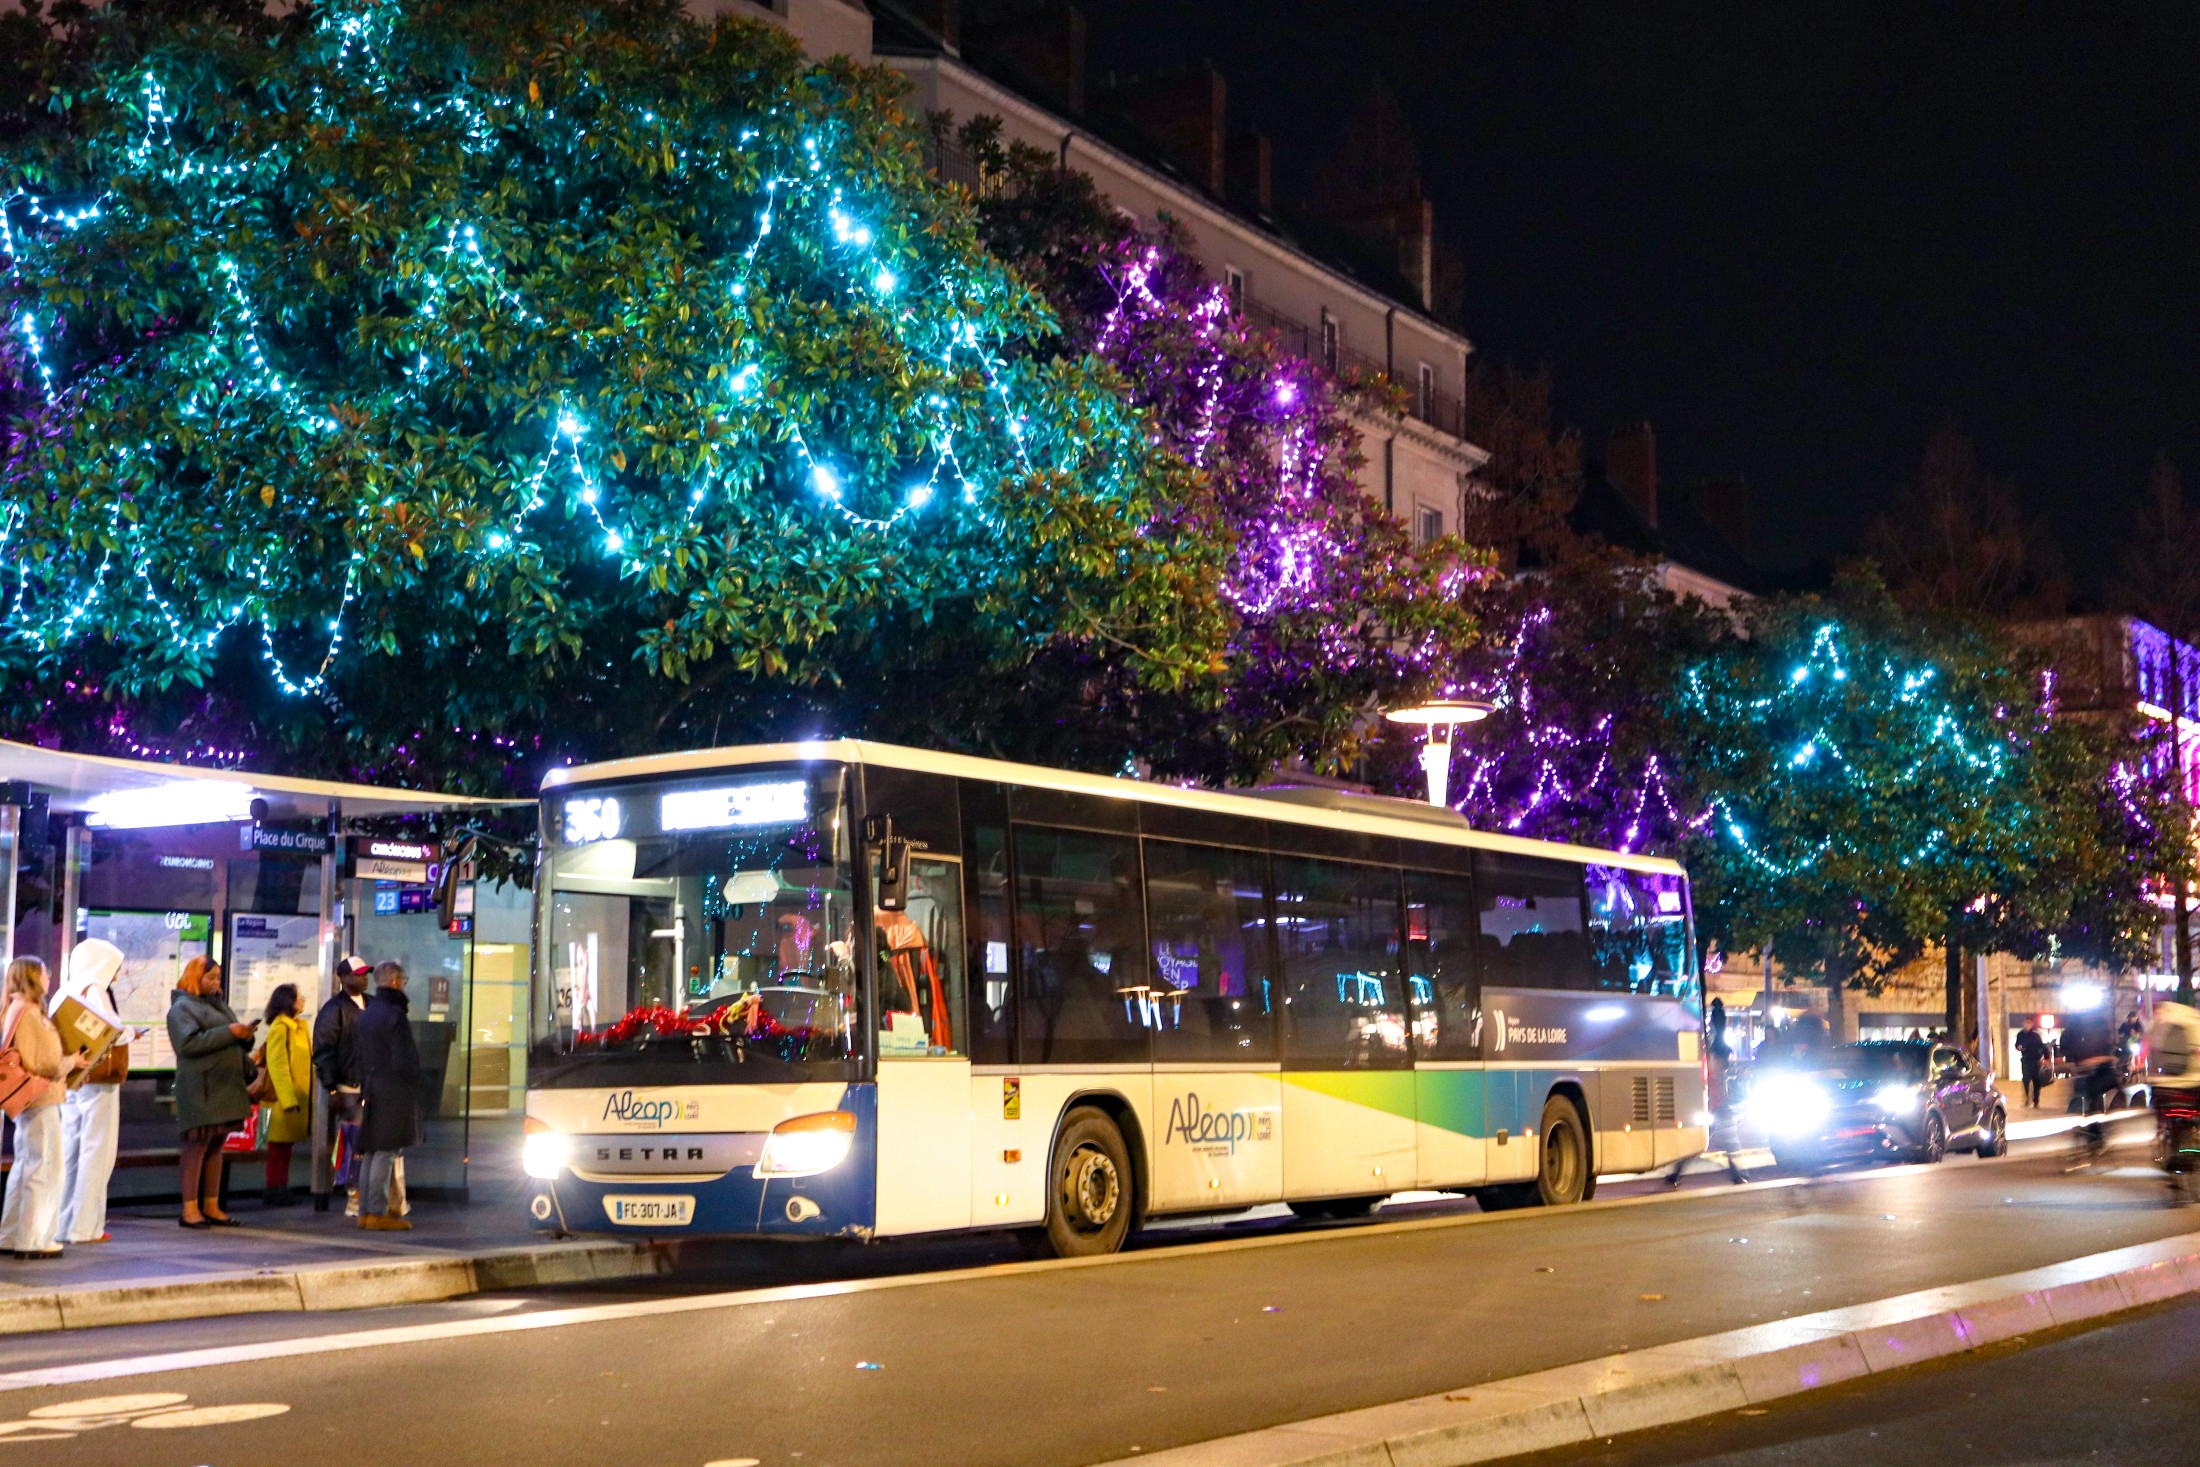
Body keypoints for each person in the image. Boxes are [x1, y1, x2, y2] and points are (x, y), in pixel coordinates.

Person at [1, 958, 89, 1258]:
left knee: (26, 1166)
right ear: (32, 977)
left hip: (31, 1101)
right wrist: (72, 1061)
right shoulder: (29, 1012)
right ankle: (35, 1239)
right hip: (41, 1098)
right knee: (46, 1167)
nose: (48, 977)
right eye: (44, 972)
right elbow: (43, 1061)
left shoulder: (15, 1008)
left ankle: (11, 1235)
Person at [168, 956, 254, 1228]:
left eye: (218, 977)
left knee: (217, 1146)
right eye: (211, 977)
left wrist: (246, 1035)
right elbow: (188, 1044)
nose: (217, 982)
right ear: (196, 977)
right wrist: (230, 1032)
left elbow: (233, 1035)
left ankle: (212, 1205)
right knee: (196, 1148)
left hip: (225, 1086)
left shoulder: (218, 1005)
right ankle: (190, 1209)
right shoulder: (182, 1008)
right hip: (200, 1088)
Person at [55, 938, 126, 1245]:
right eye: (115, 967)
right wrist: (130, 1033)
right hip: (98, 1083)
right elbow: (111, 1030)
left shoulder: (65, 989)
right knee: (97, 1152)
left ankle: (62, 1223)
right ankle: (86, 1227)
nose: (117, 975)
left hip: (72, 1079)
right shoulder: (95, 989)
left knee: (70, 1151)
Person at [354, 961, 421, 1232]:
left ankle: (364, 1212)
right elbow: (403, 1059)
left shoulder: (368, 1013)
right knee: (386, 1151)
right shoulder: (395, 1014)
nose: (404, 984)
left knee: (371, 1150)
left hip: (371, 1087)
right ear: (394, 981)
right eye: (403, 980)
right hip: (393, 1091)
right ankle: (377, 1212)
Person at [313, 956, 371, 1216]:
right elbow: (323, 1051)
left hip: (368, 1085)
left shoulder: (372, 1004)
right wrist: (332, 1088)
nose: (364, 978)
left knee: (364, 1141)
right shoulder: (333, 1009)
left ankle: (363, 1194)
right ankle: (353, 1196)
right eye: (358, 974)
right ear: (343, 978)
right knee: (354, 1141)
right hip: (348, 1086)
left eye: (365, 973)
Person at [260, 983, 311, 1207]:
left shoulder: (299, 1027)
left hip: (294, 1099)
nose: (302, 1000)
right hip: (279, 1100)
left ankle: (280, 1186)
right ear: (287, 1001)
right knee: (277, 1148)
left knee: (285, 1147)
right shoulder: (280, 1028)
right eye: (298, 997)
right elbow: (277, 1066)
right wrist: (288, 1099)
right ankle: (274, 1188)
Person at [2015, 1017, 2049, 1109]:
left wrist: (2046, 1058)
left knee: (2036, 1081)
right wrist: (2019, 1048)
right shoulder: (2020, 1035)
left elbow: (2042, 1047)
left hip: (2036, 1060)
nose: (2027, 1025)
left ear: (2032, 1024)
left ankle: (2036, 1100)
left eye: (2029, 1023)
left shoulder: (2035, 1036)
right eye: (2025, 1023)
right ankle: (2027, 1099)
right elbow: (2017, 1045)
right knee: (2026, 1079)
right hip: (2026, 1059)